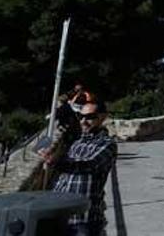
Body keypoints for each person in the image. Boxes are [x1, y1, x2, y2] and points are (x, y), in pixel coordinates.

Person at [41, 101, 117, 236]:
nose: (83, 121)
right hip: (62, 215)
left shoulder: (107, 144)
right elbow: (66, 176)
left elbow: (88, 165)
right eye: (80, 117)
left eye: (89, 117)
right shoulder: (77, 142)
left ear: (102, 117)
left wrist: (56, 163)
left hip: (84, 219)